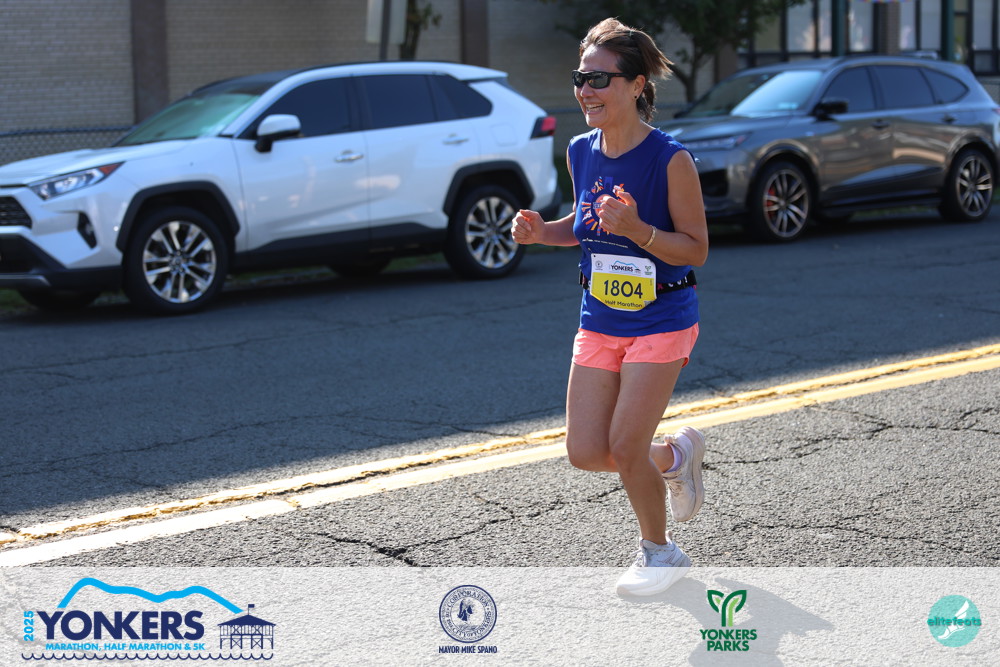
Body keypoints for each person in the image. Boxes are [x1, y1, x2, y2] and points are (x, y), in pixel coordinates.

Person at [511, 17, 709, 596]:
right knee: (585, 451)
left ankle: (660, 553)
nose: (585, 90)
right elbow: (583, 224)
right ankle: (673, 458)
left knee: (624, 448)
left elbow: (696, 248)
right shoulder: (580, 151)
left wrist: (639, 230)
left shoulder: (670, 160)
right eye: (580, 78)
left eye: (599, 79)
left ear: (637, 85)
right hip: (599, 317)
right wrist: (540, 233)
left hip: (662, 318)